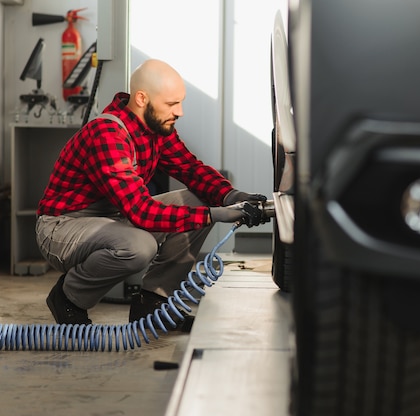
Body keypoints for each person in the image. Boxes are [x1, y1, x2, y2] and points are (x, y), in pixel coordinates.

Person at [36, 59, 267, 330]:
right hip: (62, 227)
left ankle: (153, 304)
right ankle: (69, 298)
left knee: (201, 197)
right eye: (171, 104)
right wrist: (217, 214)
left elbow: (190, 169)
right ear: (142, 98)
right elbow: (141, 211)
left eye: (180, 102)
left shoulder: (155, 129)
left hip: (111, 218)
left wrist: (232, 196)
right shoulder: (107, 134)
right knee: (138, 247)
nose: (179, 111)